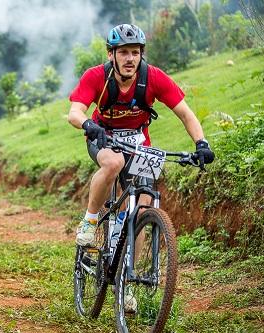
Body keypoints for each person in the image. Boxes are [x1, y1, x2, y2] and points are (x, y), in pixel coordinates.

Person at [68, 23, 215, 312]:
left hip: (139, 143)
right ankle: (89, 221)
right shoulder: (97, 77)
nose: (130, 58)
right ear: (112, 55)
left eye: (135, 52)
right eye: (123, 52)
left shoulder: (153, 78)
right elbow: (74, 111)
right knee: (114, 163)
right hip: (103, 136)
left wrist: (201, 143)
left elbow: (185, 113)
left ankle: (125, 279)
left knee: (143, 208)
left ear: (141, 54)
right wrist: (88, 124)